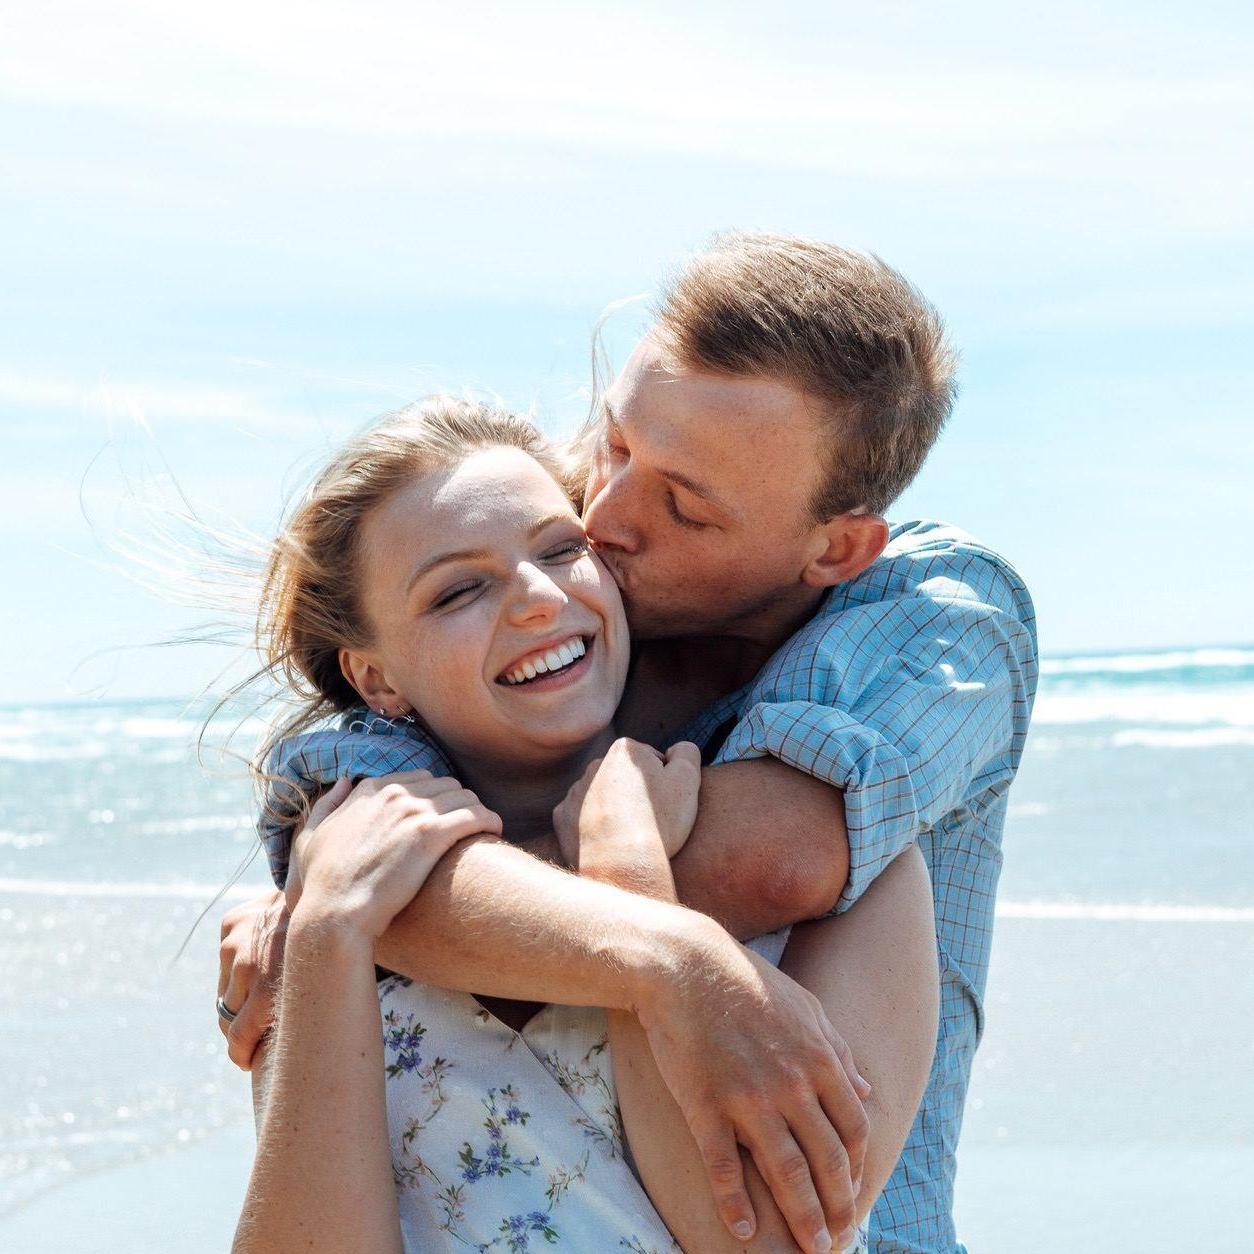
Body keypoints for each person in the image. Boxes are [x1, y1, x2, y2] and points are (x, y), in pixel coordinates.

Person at [220, 232, 1038, 1252]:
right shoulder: (528, 604)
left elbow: (774, 856)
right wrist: (335, 916)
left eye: (682, 506)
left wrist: (377, 903)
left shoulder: (935, 617)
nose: (602, 517)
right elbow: (376, 862)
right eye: (611, 448)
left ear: (834, 546)